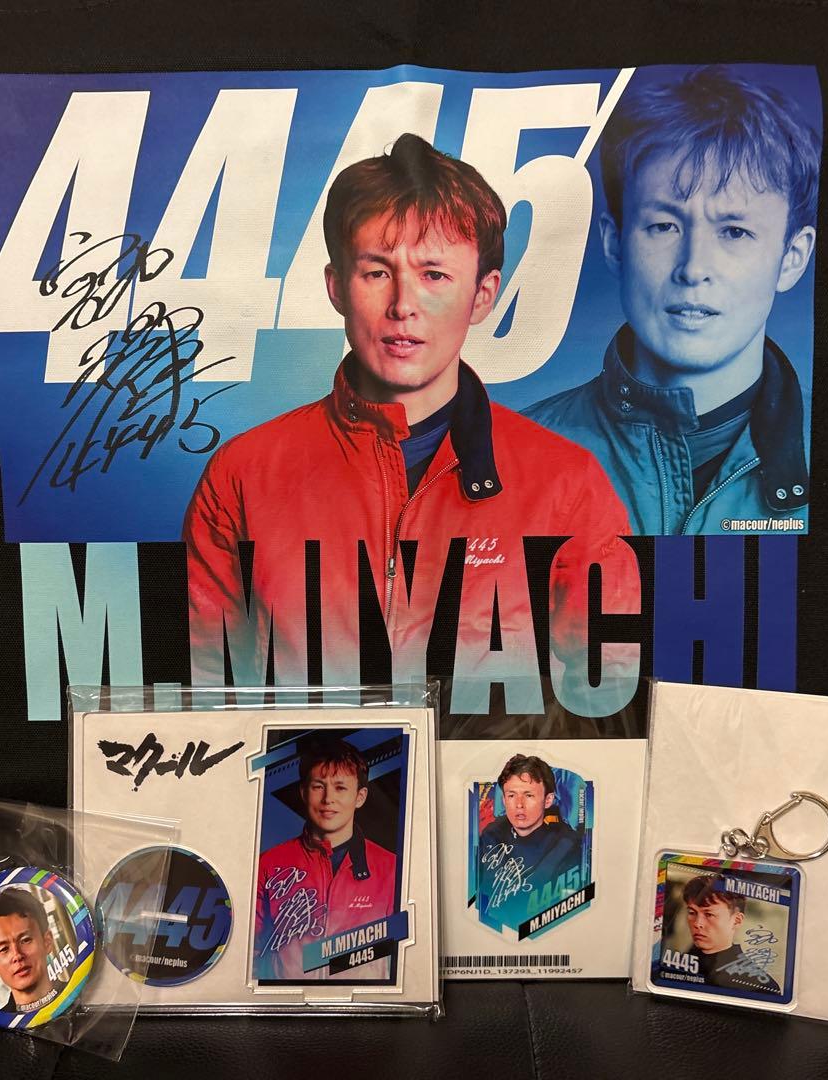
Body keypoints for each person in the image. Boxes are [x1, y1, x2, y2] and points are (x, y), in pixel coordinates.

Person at [184, 133, 638, 715]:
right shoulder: (242, 477)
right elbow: (205, 703)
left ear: (483, 295)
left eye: (434, 275)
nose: (403, 305)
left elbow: (610, 708)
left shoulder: (567, 485)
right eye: (377, 272)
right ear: (336, 287)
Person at [525, 66, 818, 535]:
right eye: (664, 226)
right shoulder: (513, 457)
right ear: (615, 244)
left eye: (734, 231)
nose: (693, 267)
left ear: (792, 258)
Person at [253, 736, 396, 981]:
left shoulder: (392, 868)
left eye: (340, 787)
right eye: (318, 786)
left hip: (364, 1003)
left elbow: (406, 952)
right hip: (287, 1002)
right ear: (303, 792)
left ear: (360, 797)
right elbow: (247, 952)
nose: (328, 798)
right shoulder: (267, 864)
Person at [478, 754, 583, 920]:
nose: (519, 804)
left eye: (529, 795)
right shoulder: (490, 835)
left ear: (548, 800)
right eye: (511, 795)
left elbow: (571, 909)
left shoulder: (567, 845)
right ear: (504, 800)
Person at [678, 873, 781, 993]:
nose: (697, 923)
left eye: (709, 914)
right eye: (692, 912)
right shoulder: (670, 967)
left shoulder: (762, 987)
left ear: (737, 920)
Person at [0, 888, 64, 1013]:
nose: (17, 955)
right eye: (4, 949)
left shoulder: (82, 997)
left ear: (47, 942)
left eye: (25, 940)